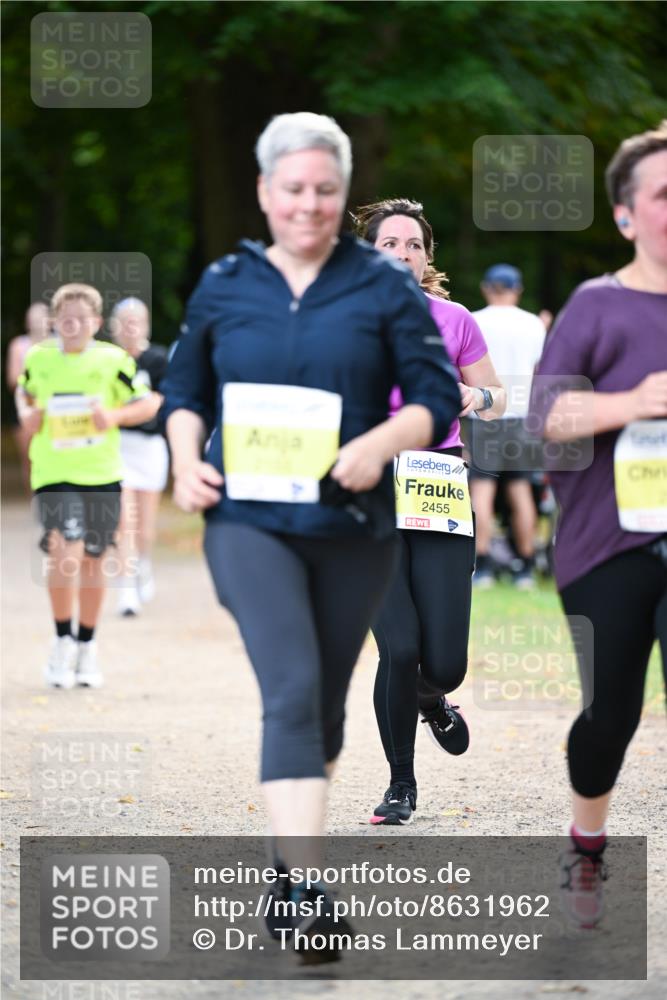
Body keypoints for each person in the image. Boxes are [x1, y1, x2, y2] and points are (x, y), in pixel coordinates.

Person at [161, 113, 461, 960]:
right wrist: (186, 461)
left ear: (341, 196)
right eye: (292, 188)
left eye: (325, 190)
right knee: (292, 688)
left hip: (352, 524)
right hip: (249, 522)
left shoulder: (382, 287)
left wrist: (377, 443)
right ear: (264, 193)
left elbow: (435, 398)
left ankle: (284, 866)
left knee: (321, 706)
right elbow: (183, 392)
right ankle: (306, 887)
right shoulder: (225, 283)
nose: (309, 204)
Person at [530, 121, 667, 927]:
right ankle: (586, 846)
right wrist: (635, 402)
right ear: (625, 215)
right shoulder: (597, 304)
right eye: (663, 194)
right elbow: (544, 415)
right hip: (606, 544)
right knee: (609, 711)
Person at [353, 198, 505, 825]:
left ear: (426, 258)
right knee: (400, 643)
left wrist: (478, 394)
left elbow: (497, 400)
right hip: (367, 493)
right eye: (388, 244)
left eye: (412, 245)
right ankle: (401, 784)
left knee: (444, 662)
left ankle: (433, 698)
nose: (402, 254)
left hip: (439, 480)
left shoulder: (456, 319)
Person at [16, 283, 161, 689]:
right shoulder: (39, 357)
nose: (73, 324)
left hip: (101, 474)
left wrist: (112, 416)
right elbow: (22, 393)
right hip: (53, 472)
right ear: (55, 321)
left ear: (97, 323)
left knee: (94, 561)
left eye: (81, 318)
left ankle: (86, 645)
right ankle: (61, 639)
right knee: (65, 549)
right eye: (65, 318)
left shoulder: (113, 360)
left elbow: (148, 403)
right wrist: (28, 413)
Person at [469, 264, 546, 589]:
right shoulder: (533, 324)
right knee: (521, 491)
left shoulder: (474, 319)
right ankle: (525, 567)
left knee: (481, 492)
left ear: (487, 288)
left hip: (484, 413)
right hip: (521, 416)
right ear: (517, 290)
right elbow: (541, 371)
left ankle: (482, 566)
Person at [110, 298, 169, 616]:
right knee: (124, 523)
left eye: (137, 321)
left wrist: (123, 413)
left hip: (150, 449)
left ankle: (143, 564)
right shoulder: (107, 361)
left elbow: (162, 403)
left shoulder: (157, 359)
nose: (130, 328)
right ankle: (126, 588)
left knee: (145, 528)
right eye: (124, 321)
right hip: (118, 448)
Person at [5, 302, 52, 493]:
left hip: (54, 409)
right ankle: (35, 496)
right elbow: (13, 379)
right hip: (28, 406)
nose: (38, 323)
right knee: (30, 457)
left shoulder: (59, 345)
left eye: (41, 318)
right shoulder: (19, 345)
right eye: (34, 319)